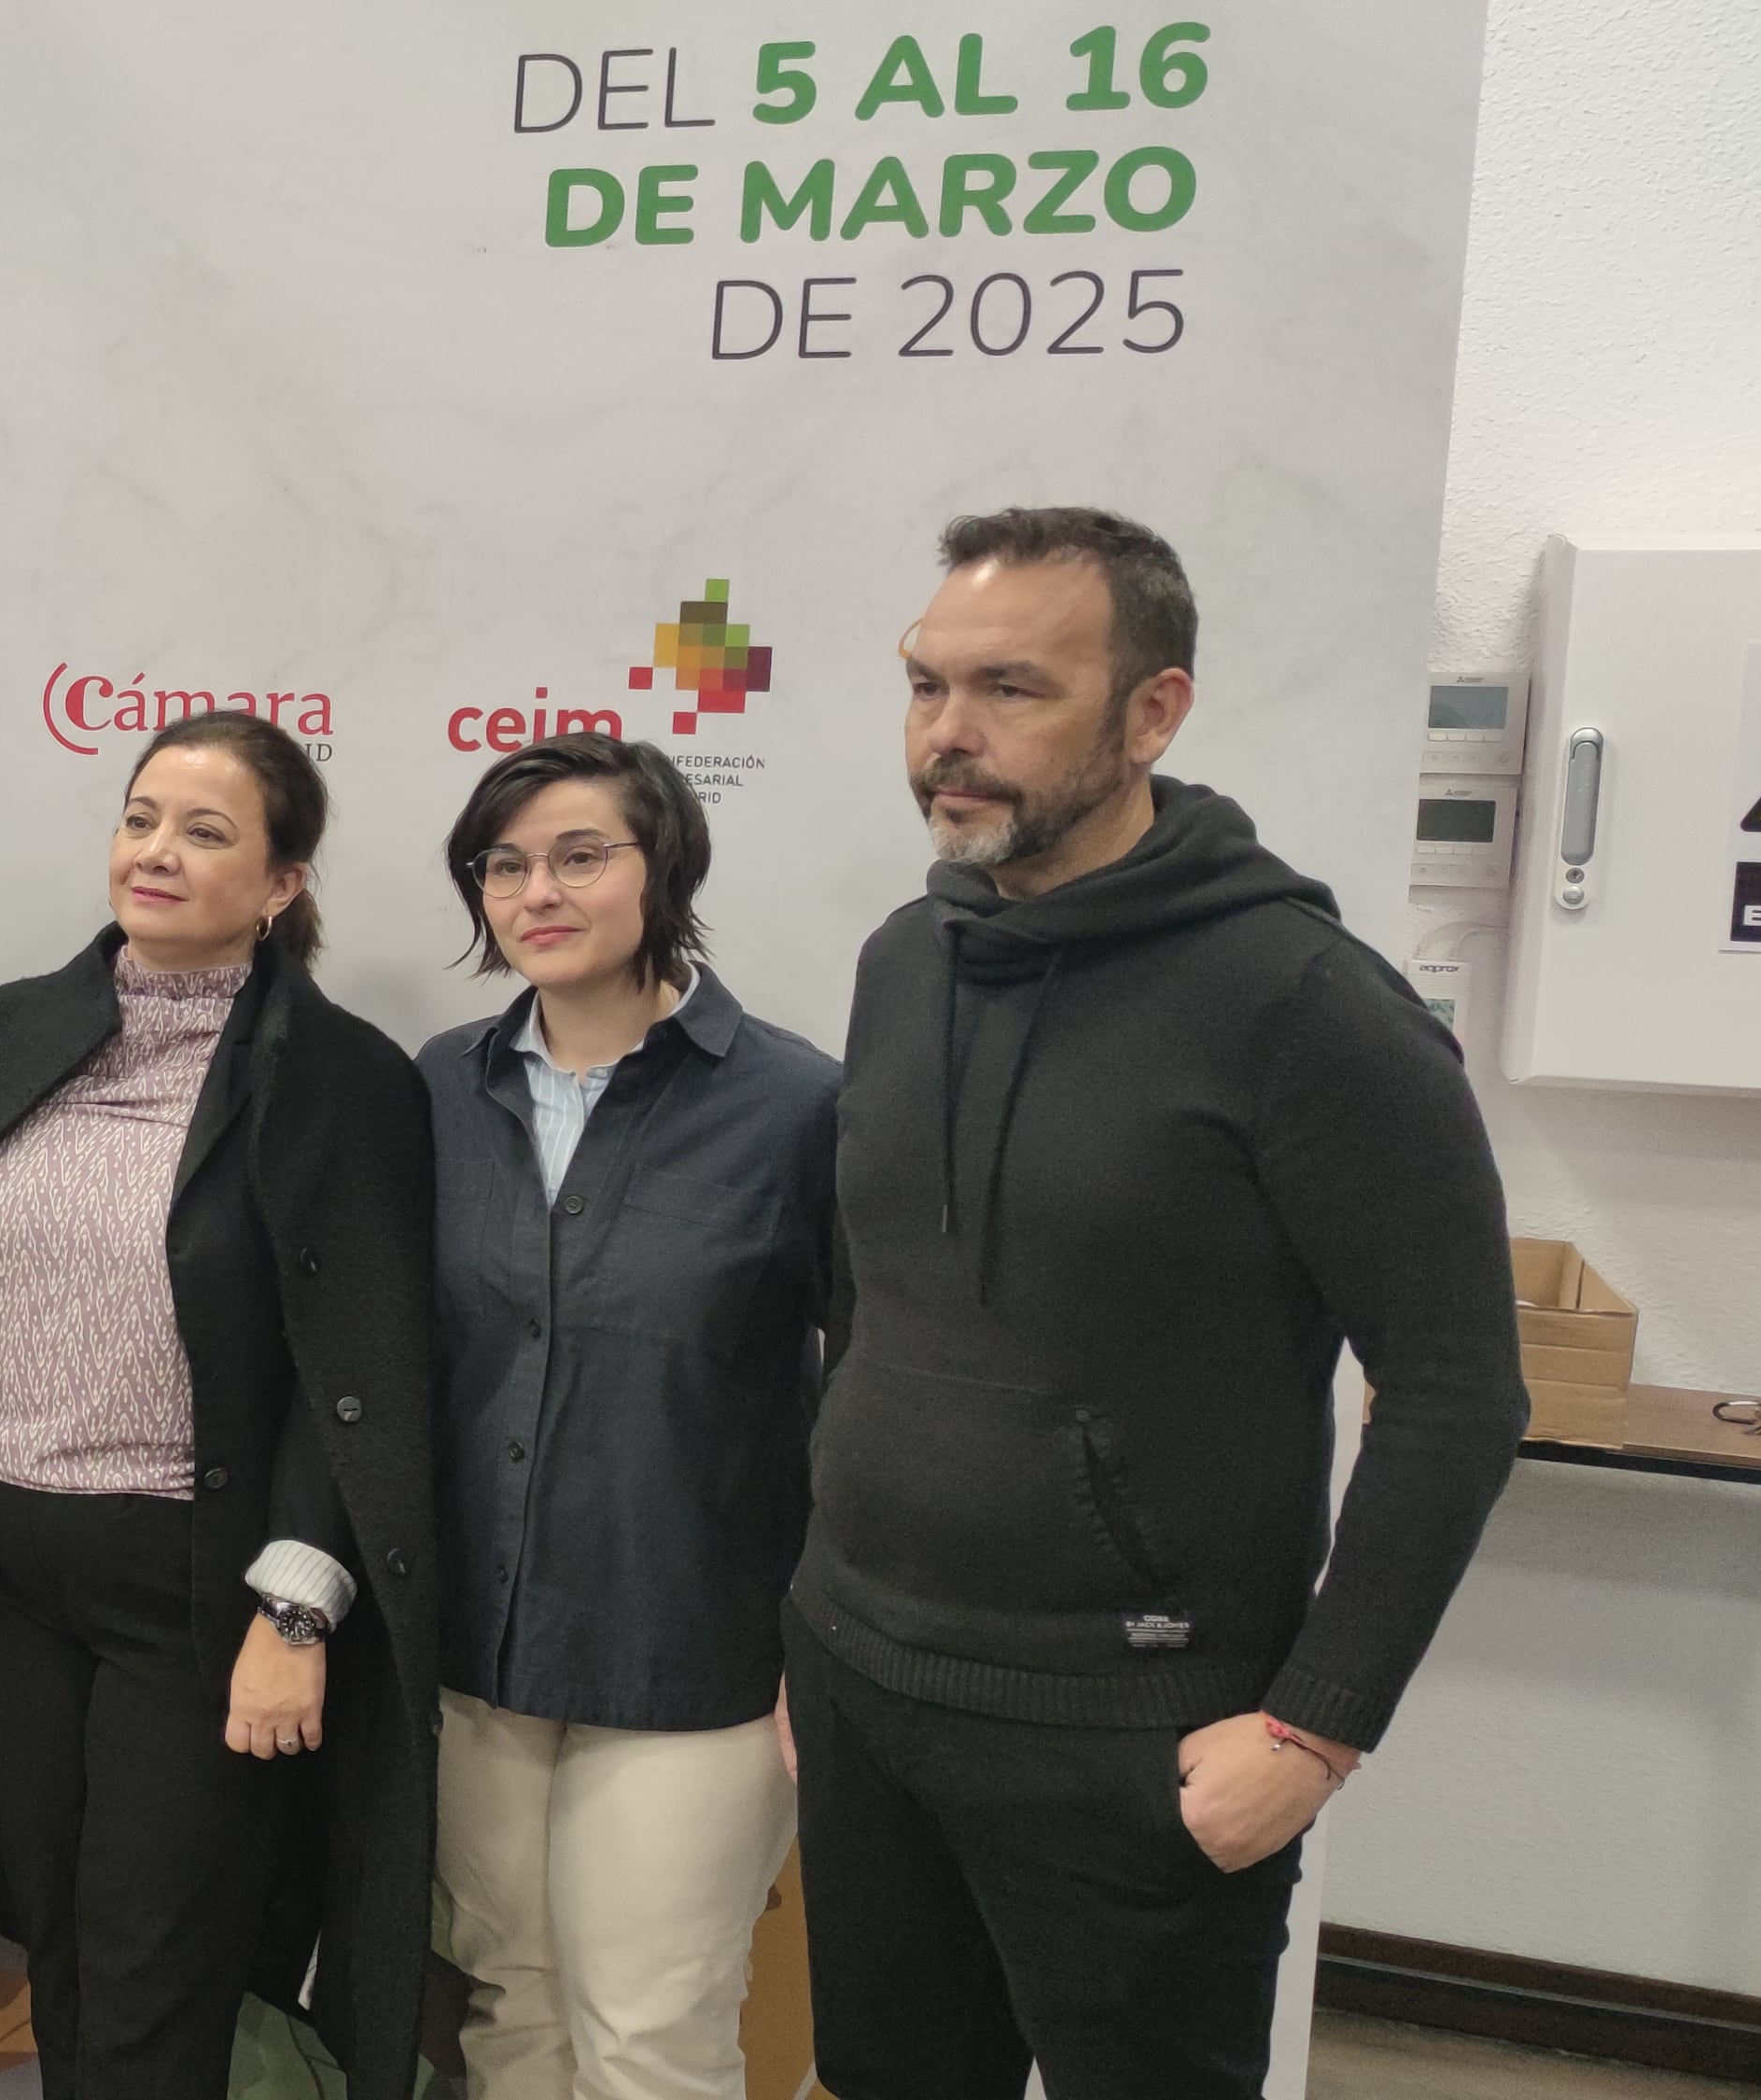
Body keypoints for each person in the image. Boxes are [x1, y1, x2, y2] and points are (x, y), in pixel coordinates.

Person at [790, 507, 1526, 2096]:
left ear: (1154, 712)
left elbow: (1459, 1390)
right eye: (924, 687)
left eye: (1009, 691)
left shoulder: (1305, 1006)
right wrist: (817, 1625)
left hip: (1138, 1736)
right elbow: (876, 1310)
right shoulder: (905, 960)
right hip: (868, 1690)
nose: (948, 739)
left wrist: (1318, 1727)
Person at [0, 711, 442, 2097]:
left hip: (199, 1593)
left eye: (206, 831)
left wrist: (298, 1607)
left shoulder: (343, 1083)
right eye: (139, 817)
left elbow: (357, 1375)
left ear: (285, 883)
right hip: (3, 1581)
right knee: (55, 1945)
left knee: (152, 1976)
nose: (156, 852)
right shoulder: (8, 1032)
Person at [414, 734, 837, 2100]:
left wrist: (822, 1634)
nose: (539, 888)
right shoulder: (433, 1093)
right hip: (473, 1656)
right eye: (506, 863)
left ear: (666, 870)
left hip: (691, 1658)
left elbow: (875, 1384)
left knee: (652, 2040)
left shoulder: (797, 1106)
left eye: (582, 854)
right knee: (507, 2014)